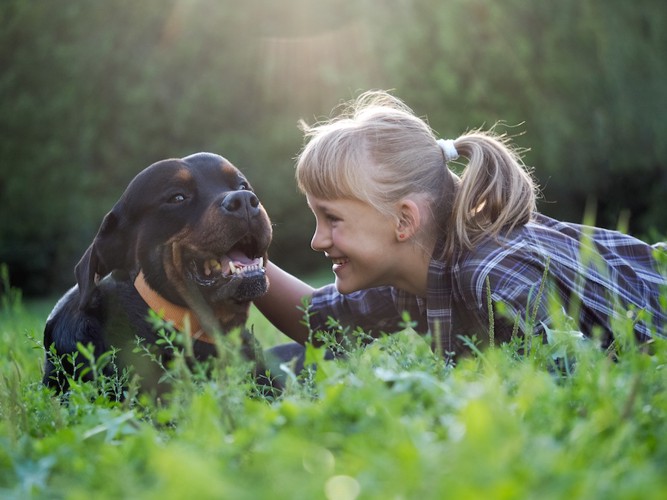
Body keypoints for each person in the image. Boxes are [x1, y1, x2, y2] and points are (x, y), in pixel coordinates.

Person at [256, 90, 667, 366]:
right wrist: (242, 258)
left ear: (404, 220)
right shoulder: (416, 276)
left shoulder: (495, 276)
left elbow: (573, 392)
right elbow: (323, 325)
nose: (317, 239)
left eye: (333, 219)